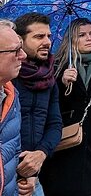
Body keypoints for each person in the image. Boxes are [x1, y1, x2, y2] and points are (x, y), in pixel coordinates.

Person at [39, 17, 91, 196]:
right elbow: (46, 103)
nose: (89, 38)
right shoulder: (57, 66)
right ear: (71, 39)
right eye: (82, 35)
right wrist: (61, 83)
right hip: (63, 140)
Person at [13, 13, 63, 196]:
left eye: (48, 36)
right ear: (20, 40)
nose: (47, 42)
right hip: (9, 170)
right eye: (39, 37)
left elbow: (55, 123)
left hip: (33, 176)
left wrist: (40, 154)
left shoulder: (49, 78)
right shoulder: (8, 75)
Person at [0, 20, 26, 196]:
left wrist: (25, 176)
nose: (23, 55)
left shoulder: (11, 94)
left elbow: (14, 149)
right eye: (16, 50)